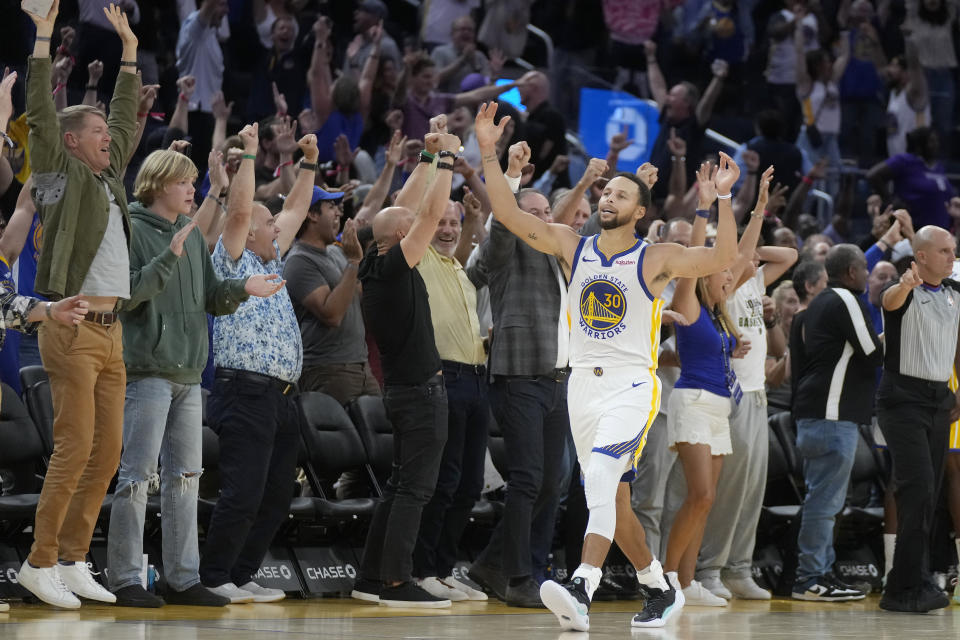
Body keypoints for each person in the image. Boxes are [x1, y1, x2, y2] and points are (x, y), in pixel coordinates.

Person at [473, 102, 742, 631]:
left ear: (640, 210)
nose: (610, 197)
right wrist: (488, 151)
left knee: (596, 476)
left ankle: (582, 586)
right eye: (608, 192)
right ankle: (658, 587)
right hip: (580, 387)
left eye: (622, 194)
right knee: (610, 498)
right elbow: (507, 214)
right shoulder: (573, 246)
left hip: (632, 387)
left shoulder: (656, 256)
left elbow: (719, 259)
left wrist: (725, 200)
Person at [106, 148, 285, 608]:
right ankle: (125, 577)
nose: (192, 189)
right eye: (184, 182)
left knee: (186, 477)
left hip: (189, 374)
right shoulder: (132, 229)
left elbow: (210, 295)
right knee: (136, 477)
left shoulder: (190, 235)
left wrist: (243, 289)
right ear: (157, 184)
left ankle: (183, 578)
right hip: (147, 371)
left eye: (192, 182)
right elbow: (127, 294)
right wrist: (168, 256)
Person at [17, 1, 142, 610]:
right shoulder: (59, 173)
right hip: (70, 326)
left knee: (108, 452)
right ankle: (38, 563)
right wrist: (42, 34)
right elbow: (39, 112)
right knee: (75, 447)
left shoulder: (108, 177)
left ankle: (71, 559)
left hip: (113, 332)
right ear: (71, 142)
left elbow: (122, 118)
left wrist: (130, 53)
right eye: (95, 135)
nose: (108, 142)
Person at [199, 125, 317, 603]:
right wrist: (249, 156)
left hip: (282, 397)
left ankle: (243, 573)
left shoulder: (270, 262)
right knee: (243, 491)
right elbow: (243, 210)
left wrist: (307, 162)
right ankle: (214, 576)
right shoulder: (229, 261)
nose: (279, 230)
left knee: (274, 496)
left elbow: (297, 208)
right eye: (269, 227)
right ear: (248, 232)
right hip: (244, 390)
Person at [349, 131, 463, 608]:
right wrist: (450, 159)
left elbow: (405, 204)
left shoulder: (374, 266)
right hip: (419, 392)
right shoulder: (395, 267)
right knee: (415, 489)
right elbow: (429, 213)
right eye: (411, 227)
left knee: (400, 487)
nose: (423, 227)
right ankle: (397, 582)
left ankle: (371, 579)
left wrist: (430, 156)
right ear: (400, 237)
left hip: (403, 390)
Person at [660, 163, 754, 608]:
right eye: (723, 274)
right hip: (693, 401)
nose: (730, 277)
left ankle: (687, 580)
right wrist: (705, 207)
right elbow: (699, 258)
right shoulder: (689, 303)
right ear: (705, 276)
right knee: (699, 495)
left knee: (707, 501)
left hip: (719, 407)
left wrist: (727, 199)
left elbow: (740, 255)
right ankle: (664, 580)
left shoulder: (719, 314)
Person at [789, 244, 882, 602]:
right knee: (824, 503)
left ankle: (818, 574)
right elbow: (873, 353)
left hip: (813, 415)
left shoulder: (814, 308)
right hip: (830, 415)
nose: (868, 275)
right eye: (864, 268)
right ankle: (810, 577)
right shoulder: (844, 298)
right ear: (851, 272)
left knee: (822, 500)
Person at [876, 225, 959, 613]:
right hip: (902, 400)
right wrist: (905, 285)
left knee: (929, 492)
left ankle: (905, 582)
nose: (951, 256)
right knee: (918, 489)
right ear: (921, 256)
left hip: (939, 399)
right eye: (943, 251)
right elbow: (890, 301)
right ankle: (908, 585)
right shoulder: (902, 290)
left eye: (953, 250)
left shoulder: (954, 293)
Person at [411, 194, 490, 602]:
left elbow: (466, 239)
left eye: (452, 222)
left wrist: (474, 218)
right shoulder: (420, 259)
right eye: (439, 222)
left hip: (477, 378)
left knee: (470, 485)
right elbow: (417, 217)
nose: (446, 229)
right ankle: (423, 569)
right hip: (446, 376)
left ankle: (443, 569)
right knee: (445, 482)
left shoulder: (458, 267)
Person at [867, 127, 956, 230]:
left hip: (940, 229)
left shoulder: (939, 167)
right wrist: (891, 200)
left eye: (937, 141)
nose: (936, 145)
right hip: (913, 228)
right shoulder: (905, 161)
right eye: (932, 141)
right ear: (920, 144)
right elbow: (873, 175)